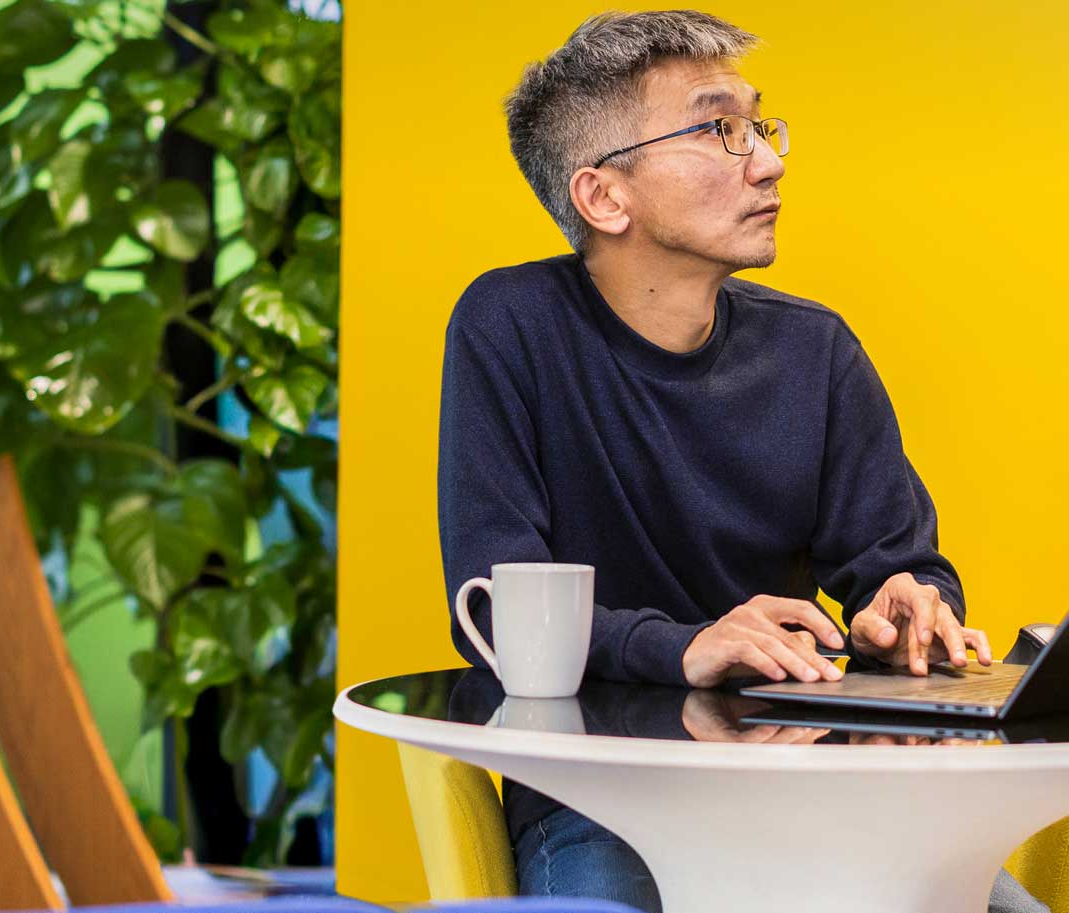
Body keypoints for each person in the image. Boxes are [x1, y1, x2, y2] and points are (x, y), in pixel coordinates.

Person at [437, 10, 1049, 912]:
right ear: (606, 197)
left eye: (760, 126)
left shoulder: (817, 351)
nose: (768, 159)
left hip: (814, 784)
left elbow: (902, 564)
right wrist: (685, 646)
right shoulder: (510, 326)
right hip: (603, 794)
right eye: (719, 129)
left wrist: (908, 608)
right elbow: (490, 604)